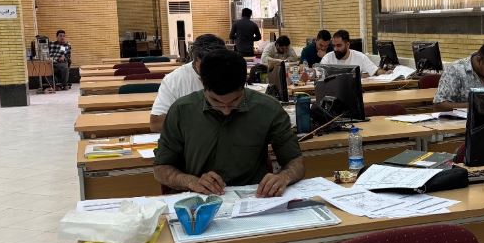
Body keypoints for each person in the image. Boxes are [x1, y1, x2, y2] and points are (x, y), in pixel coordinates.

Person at [154, 49, 305, 197]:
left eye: (235, 101)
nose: (226, 110)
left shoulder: (268, 109)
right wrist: (190, 181)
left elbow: (295, 161)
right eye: (216, 101)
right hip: (199, 200)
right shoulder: (182, 111)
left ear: (244, 84)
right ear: (202, 83)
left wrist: (284, 177)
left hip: (254, 199)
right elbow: (161, 168)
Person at [149, 34, 227, 133]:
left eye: (217, 65)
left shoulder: (231, 73)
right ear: (196, 60)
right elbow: (156, 124)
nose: (212, 71)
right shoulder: (174, 80)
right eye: (207, 65)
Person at [319, 29, 385, 76]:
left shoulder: (360, 57)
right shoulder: (327, 58)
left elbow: (375, 71)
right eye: (334, 45)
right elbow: (319, 75)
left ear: (348, 44)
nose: (335, 49)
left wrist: (387, 74)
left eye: (339, 45)